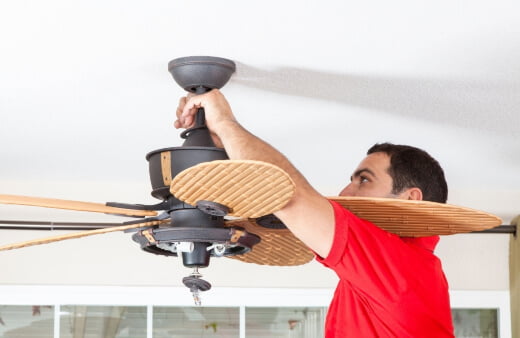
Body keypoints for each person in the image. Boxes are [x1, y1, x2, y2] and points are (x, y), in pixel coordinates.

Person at [175, 89, 455, 337]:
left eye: (365, 180)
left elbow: (286, 195)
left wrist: (225, 123)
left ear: (411, 199)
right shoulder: (394, 274)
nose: (346, 194)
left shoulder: (403, 268)